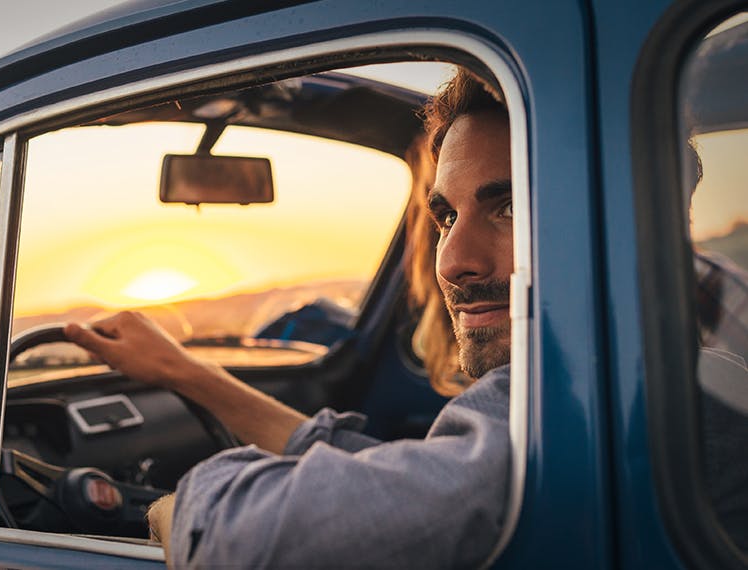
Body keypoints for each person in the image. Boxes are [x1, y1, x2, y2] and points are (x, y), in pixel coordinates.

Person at [65, 69, 515, 567]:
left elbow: (245, 538)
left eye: (509, 208)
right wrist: (183, 371)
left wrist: (174, 512)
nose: (452, 261)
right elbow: (392, 475)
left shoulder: (544, 403)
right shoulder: (535, 405)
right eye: (447, 217)